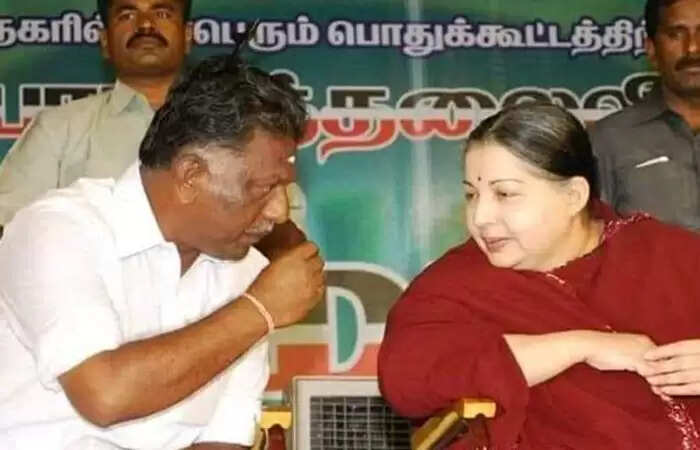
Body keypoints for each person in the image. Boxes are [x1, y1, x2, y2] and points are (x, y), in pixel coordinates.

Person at [0, 53, 325, 450]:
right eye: (263, 188)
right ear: (191, 175)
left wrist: (258, 306)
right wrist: (259, 310)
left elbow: (223, 440)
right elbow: (105, 395)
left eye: (284, 188)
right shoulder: (58, 230)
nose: (280, 212)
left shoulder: (246, 273)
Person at [379, 102, 700, 449]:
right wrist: (581, 345)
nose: (481, 217)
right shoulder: (456, 284)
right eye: (471, 195)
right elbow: (407, 381)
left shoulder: (669, 255)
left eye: (505, 194)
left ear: (574, 196)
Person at [590, 0, 700, 231]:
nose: (692, 48)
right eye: (675, 34)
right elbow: (591, 237)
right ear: (651, 49)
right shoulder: (608, 139)